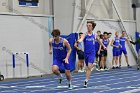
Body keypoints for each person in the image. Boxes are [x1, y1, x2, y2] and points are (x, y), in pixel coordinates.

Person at [78, 21, 106, 88]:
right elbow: (81, 39)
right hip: (86, 53)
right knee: (88, 66)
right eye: (87, 25)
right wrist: (79, 41)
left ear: (92, 27)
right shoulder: (84, 34)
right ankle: (94, 64)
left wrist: (103, 46)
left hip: (92, 53)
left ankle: (86, 81)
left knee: (89, 67)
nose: (88, 26)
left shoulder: (94, 34)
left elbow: (99, 41)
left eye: (89, 25)